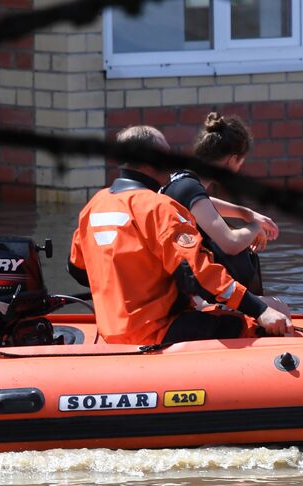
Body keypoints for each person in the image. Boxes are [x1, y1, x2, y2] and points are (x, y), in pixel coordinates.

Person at [68, 125, 291, 345]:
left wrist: (131, 282)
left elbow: (78, 270)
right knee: (245, 325)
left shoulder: (95, 204)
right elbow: (199, 274)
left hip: (112, 330)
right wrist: (260, 310)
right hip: (158, 330)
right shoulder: (159, 208)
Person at [160, 112, 278, 294]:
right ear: (232, 160)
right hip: (183, 299)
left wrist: (247, 213)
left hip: (170, 286)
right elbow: (230, 244)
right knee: (278, 308)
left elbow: (200, 202)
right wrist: (255, 227)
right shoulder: (190, 188)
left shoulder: (180, 180)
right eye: (240, 163)